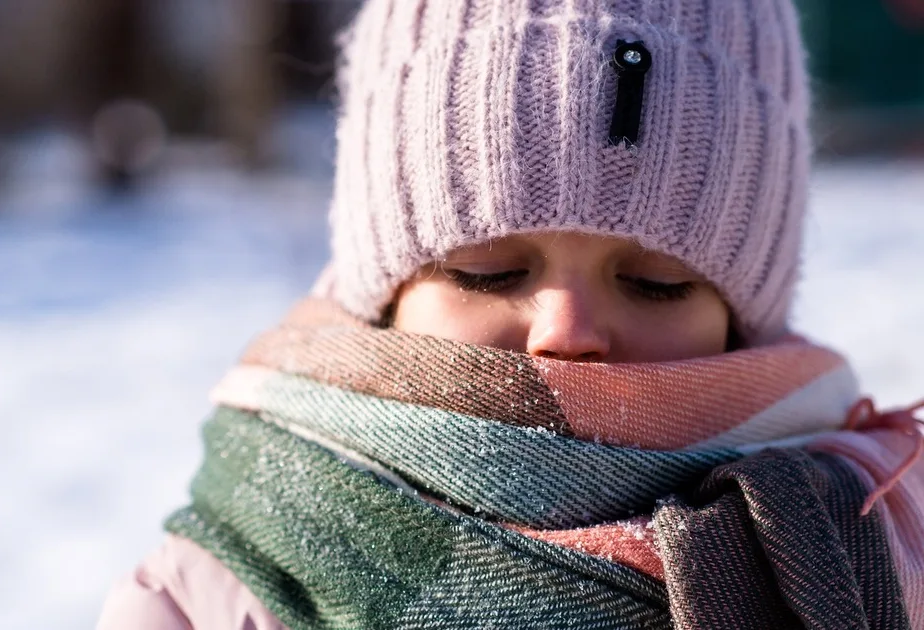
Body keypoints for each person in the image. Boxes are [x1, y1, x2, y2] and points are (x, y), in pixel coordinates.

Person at [96, 0, 924, 628]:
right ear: (384, 295)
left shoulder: (878, 543)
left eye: (656, 281)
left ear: (745, 317)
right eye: (486, 271)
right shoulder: (212, 592)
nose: (565, 331)